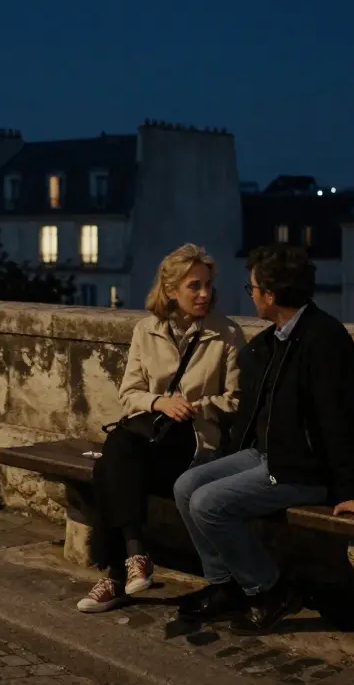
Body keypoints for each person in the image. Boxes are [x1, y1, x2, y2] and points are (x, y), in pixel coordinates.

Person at [171, 243, 354, 634]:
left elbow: (341, 422)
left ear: (270, 295)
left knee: (209, 503)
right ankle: (224, 585)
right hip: (267, 457)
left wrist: (346, 490)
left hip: (302, 470)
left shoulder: (323, 340)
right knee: (187, 485)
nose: (251, 294)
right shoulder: (274, 340)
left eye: (252, 288)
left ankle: (269, 590)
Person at [77, 244, 246, 614]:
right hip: (150, 436)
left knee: (114, 459)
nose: (204, 294)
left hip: (196, 441)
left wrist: (193, 407)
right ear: (171, 290)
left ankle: (118, 575)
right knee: (117, 457)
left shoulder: (227, 334)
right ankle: (133, 557)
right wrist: (159, 403)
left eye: (207, 285)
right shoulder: (146, 330)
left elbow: (235, 401)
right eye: (194, 286)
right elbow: (130, 393)